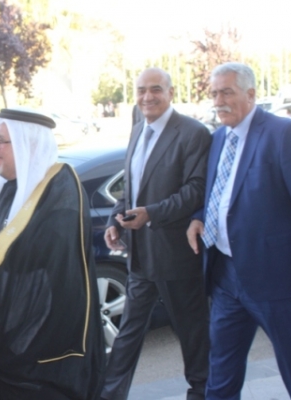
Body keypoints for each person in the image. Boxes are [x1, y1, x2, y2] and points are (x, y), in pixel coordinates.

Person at [0, 107, 106, 400]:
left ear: (29, 145)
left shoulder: (61, 185)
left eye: (0, 140)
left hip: (43, 348)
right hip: (5, 342)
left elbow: (53, 249)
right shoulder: (4, 187)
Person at [101, 67, 212, 400]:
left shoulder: (193, 133)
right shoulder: (138, 129)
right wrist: (114, 222)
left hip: (176, 256)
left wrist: (152, 213)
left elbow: (196, 190)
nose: (147, 96)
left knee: (191, 334)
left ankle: (202, 392)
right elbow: (131, 189)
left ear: (171, 92)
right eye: (141, 90)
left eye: (155, 89)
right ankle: (110, 394)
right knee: (129, 333)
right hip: (140, 255)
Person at [187, 62, 291, 399]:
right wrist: (199, 216)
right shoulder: (218, 138)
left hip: (275, 280)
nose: (218, 101)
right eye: (214, 93)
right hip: (225, 276)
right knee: (221, 372)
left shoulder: (283, 134)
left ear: (251, 94)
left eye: (227, 92)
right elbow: (219, 194)